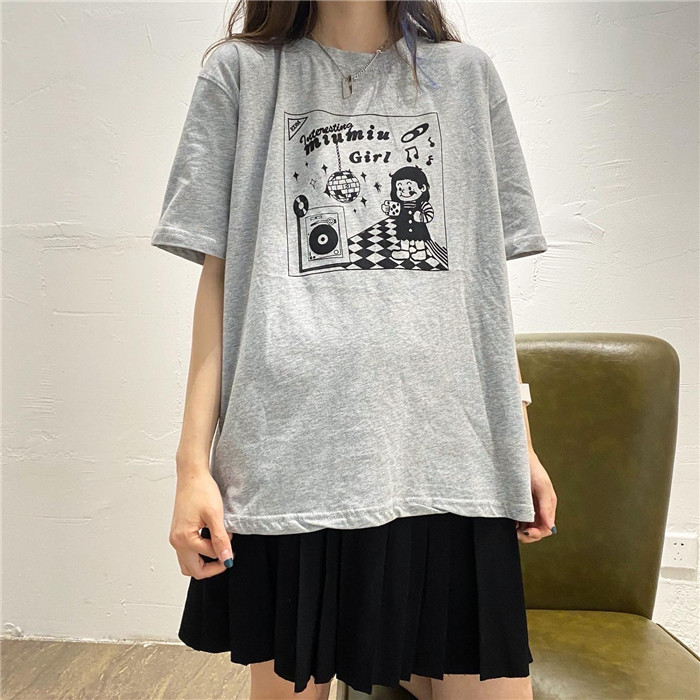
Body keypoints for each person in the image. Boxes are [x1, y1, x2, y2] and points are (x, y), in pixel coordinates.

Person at [151, 1, 558, 698]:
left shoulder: (465, 77)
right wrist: (192, 467)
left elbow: (482, 288)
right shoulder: (240, 74)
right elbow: (219, 282)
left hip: (447, 453)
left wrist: (516, 443)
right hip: (289, 455)